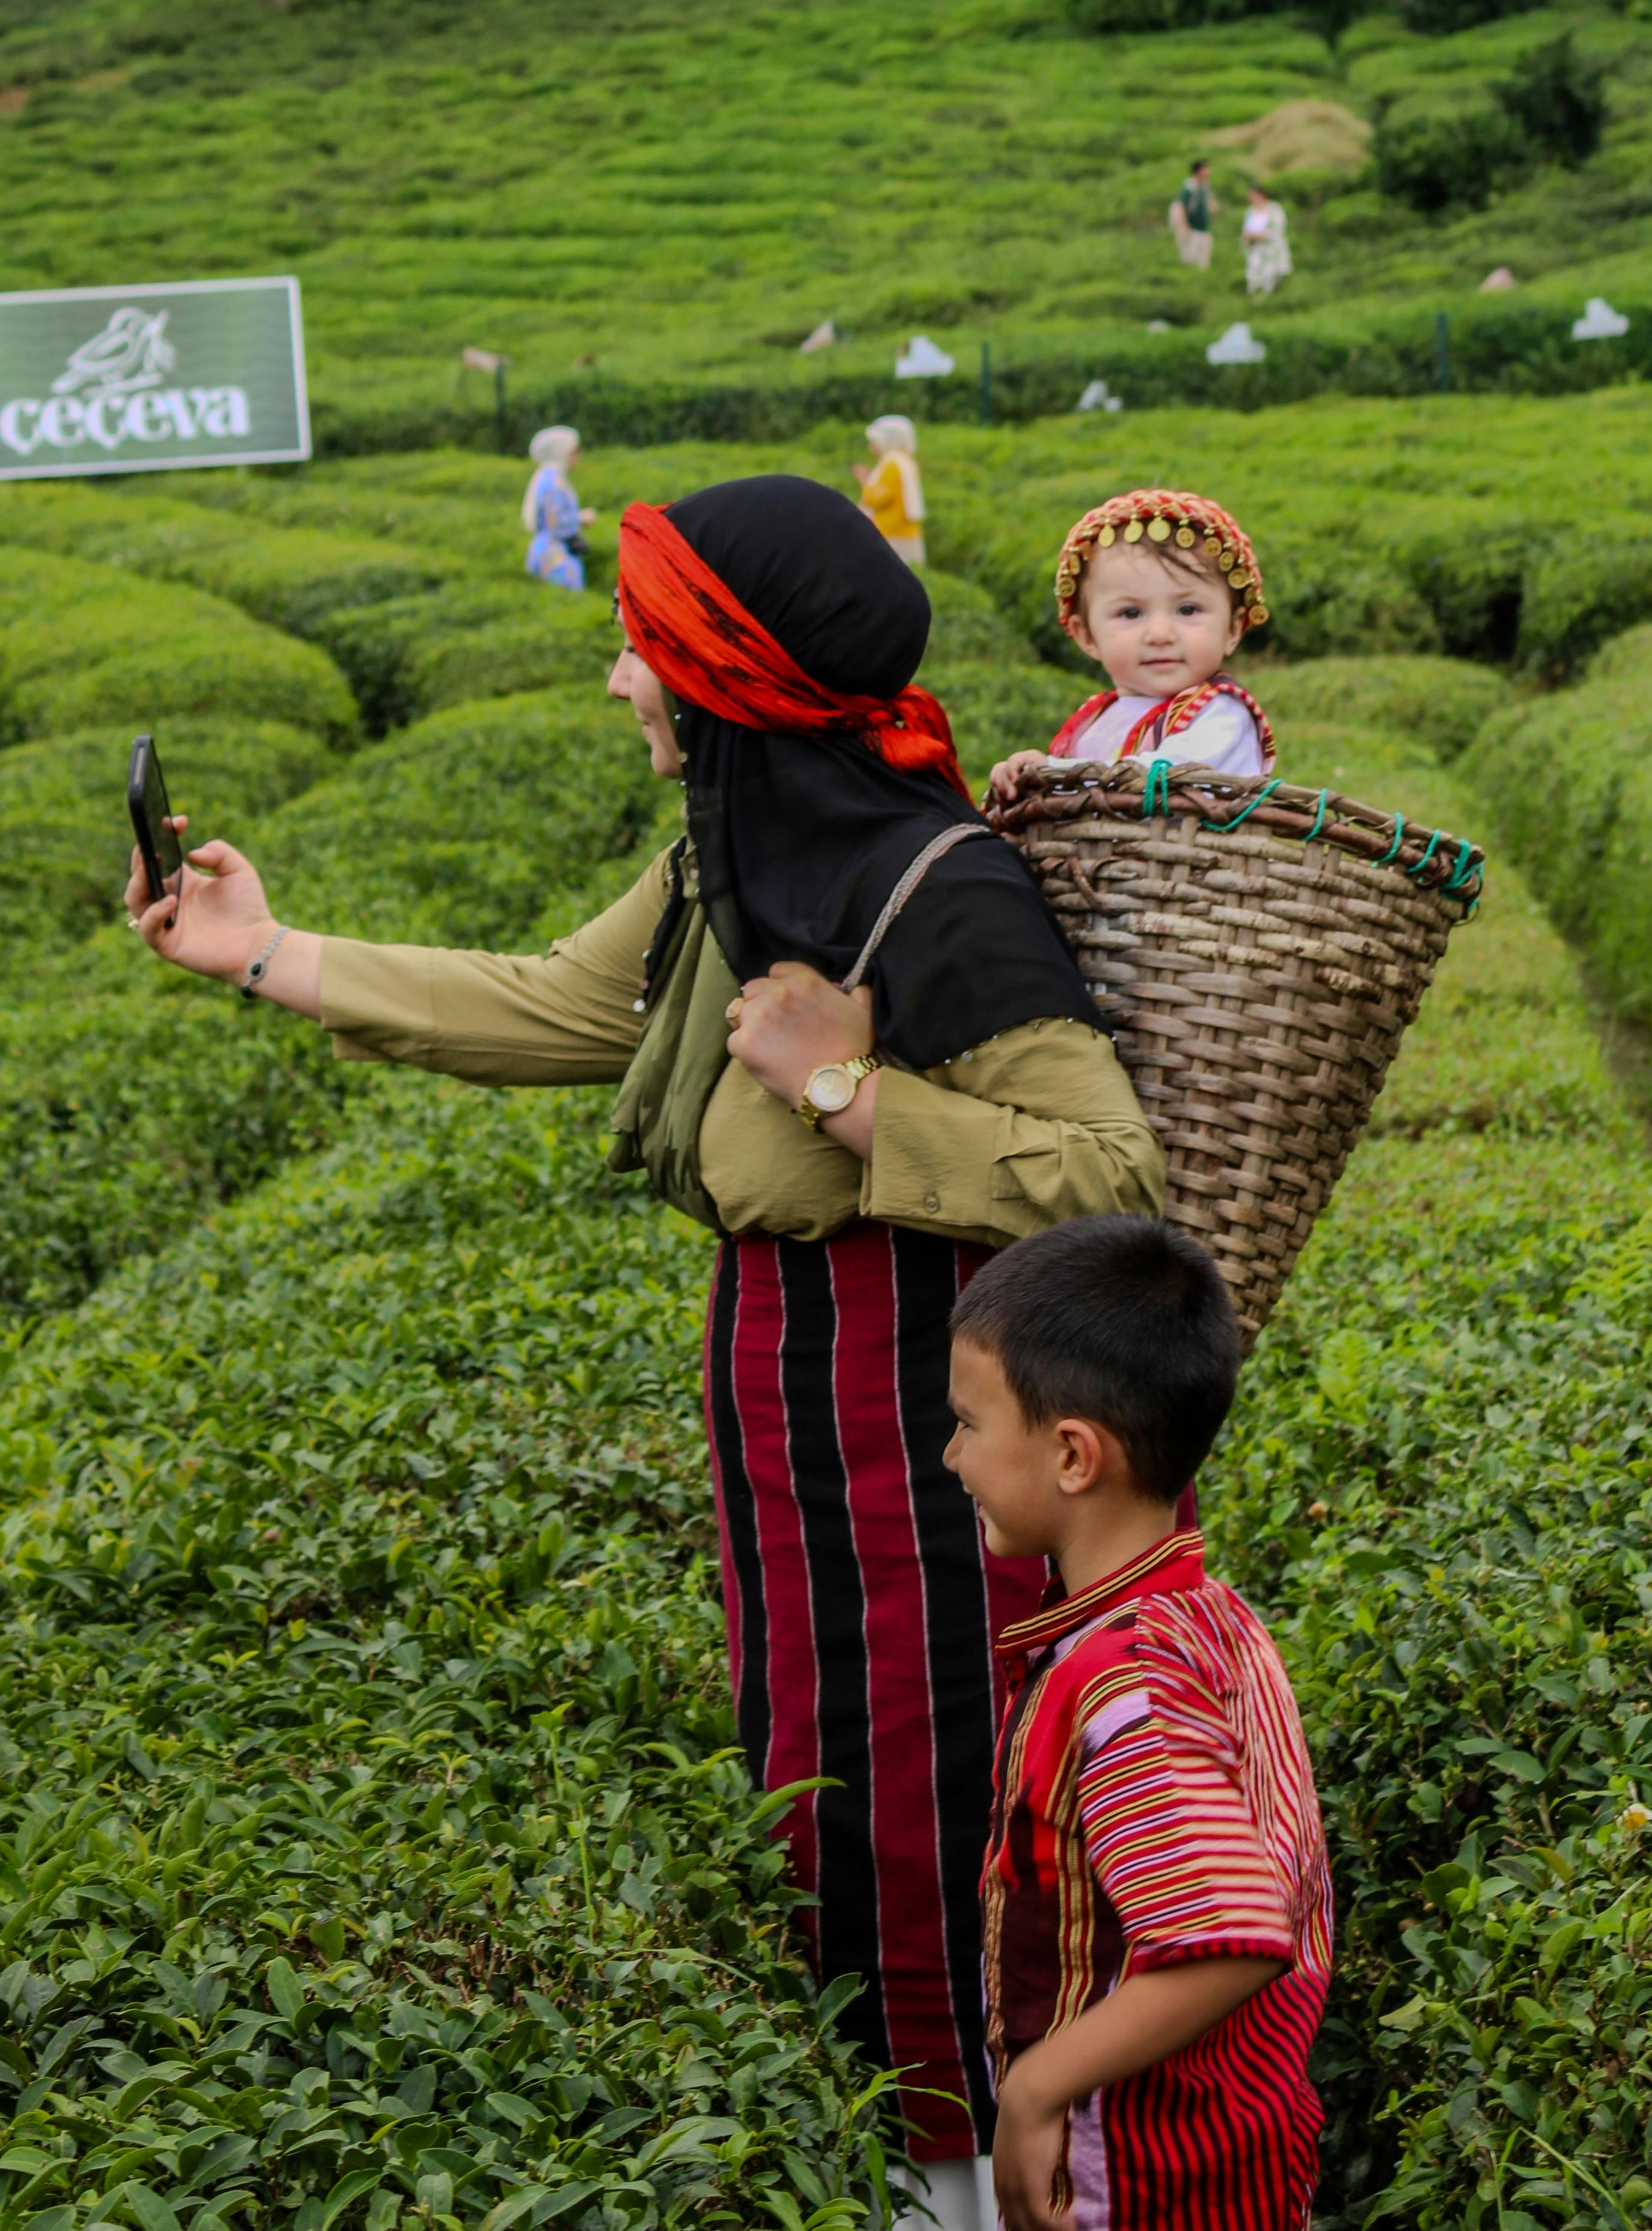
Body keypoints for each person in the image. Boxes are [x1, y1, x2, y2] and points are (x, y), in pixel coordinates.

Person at [125, 475, 1164, 2231]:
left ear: (729, 683)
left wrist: (841, 1085)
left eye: (644, 652)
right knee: (820, 1770)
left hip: (926, 1394)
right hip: (782, 1377)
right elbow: (565, 1004)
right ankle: (903, 2154)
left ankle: (1016, 2172)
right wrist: (262, 952)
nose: (621, 683)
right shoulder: (732, 857)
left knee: (928, 1778)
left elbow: (1118, 1173)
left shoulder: (943, 885)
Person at [943, 1215, 1333, 2231]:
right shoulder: (1214, 1617)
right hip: (1238, 2148)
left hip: (1146, 2183)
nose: (952, 1454)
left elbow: (1228, 1931)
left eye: (970, 1422)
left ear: (1073, 1453)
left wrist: (1036, 2088)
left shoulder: (1125, 1686)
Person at [989, 489, 1275, 800]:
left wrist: (1055, 775)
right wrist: (1026, 780)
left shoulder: (1222, 714)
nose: (1160, 634)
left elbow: (1165, 778)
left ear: (1233, 629)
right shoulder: (1096, 720)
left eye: (1188, 610)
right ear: (1086, 636)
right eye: (1131, 613)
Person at [523, 425, 596, 588]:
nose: (578, 456)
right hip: (554, 557)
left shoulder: (552, 476)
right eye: (574, 451)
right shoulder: (552, 480)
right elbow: (554, 522)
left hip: (555, 551)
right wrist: (581, 518)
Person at [854, 414, 927, 568]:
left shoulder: (892, 464)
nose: (871, 447)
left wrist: (864, 481)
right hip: (905, 531)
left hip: (893, 532)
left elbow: (877, 498)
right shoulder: (906, 461)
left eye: (874, 442)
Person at [1242, 185, 1292, 298]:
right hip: (1256, 247)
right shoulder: (1250, 211)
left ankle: (1270, 296)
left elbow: (1279, 229)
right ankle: (1254, 294)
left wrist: (1264, 235)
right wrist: (1248, 237)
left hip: (1271, 247)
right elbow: (1246, 229)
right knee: (1253, 271)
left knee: (1270, 273)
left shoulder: (1274, 209)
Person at [1168, 160, 1214, 270]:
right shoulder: (1189, 188)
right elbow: (1180, 208)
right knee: (1190, 262)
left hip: (1203, 229)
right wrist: (1185, 229)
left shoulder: (1204, 187)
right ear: (1198, 172)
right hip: (1192, 230)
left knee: (1203, 264)